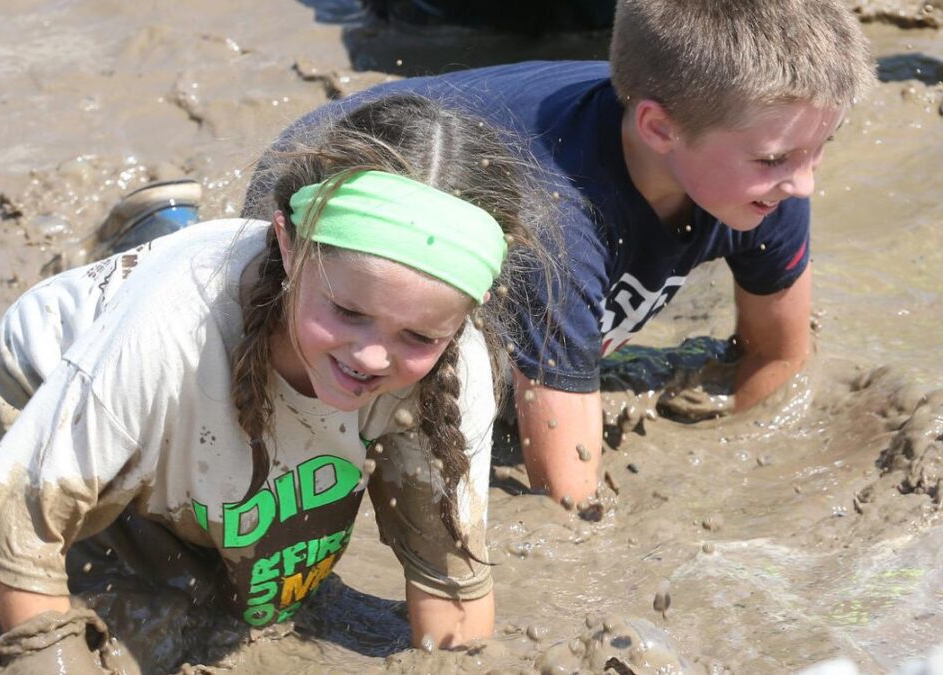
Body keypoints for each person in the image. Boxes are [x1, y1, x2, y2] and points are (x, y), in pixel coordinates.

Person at [0, 94, 552, 659]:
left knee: (271, 590)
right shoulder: (165, 338)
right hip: (58, 371)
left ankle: (160, 234)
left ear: (468, 312)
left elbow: (454, 603)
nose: (374, 355)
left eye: (417, 334)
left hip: (219, 364)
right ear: (287, 239)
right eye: (347, 309)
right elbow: (21, 538)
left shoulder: (451, 362)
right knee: (149, 623)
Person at [246, 0, 877, 505]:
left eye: (820, 149)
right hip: (335, 193)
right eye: (777, 161)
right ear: (660, 128)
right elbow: (567, 494)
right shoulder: (560, 220)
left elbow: (778, 355)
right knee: (344, 409)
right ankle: (170, 239)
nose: (805, 183)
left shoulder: (770, 174)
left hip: (535, 206)